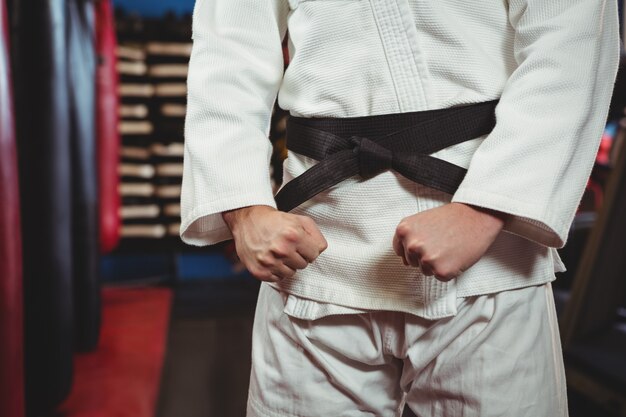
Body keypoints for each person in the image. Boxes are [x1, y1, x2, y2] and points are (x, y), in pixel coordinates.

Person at [180, 0, 620, 415]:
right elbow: (226, 53)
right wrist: (244, 209)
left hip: (488, 258)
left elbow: (570, 44)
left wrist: (485, 210)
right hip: (312, 255)